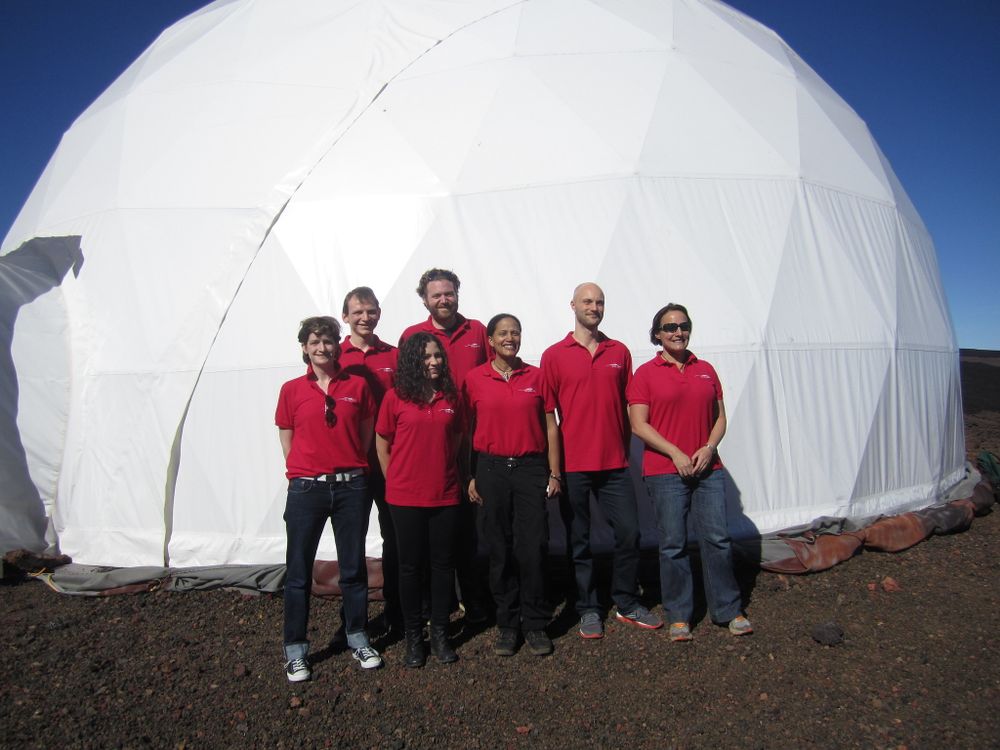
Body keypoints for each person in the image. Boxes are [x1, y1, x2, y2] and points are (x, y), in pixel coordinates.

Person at [540, 282, 663, 639]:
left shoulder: (619, 351)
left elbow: (630, 406)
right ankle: (588, 607)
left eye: (600, 302)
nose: (594, 307)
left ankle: (625, 600)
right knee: (579, 541)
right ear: (573, 306)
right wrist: (555, 469)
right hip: (573, 465)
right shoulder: (553, 355)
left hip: (613, 464)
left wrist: (621, 449)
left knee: (629, 533)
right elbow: (549, 417)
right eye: (588, 301)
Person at [626, 303, 753, 641]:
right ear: (657, 334)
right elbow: (638, 424)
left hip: (708, 468)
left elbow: (720, 416)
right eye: (669, 327)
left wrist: (709, 448)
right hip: (665, 471)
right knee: (673, 544)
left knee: (717, 539)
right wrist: (675, 453)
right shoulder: (646, 374)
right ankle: (679, 614)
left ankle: (728, 608)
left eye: (683, 325)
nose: (677, 332)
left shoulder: (706, 369)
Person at [275, 316, 382, 683]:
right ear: (304, 347)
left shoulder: (357, 385)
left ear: (339, 344)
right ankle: (295, 648)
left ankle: (357, 635)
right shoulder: (291, 389)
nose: (323, 348)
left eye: (329, 341)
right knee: (299, 570)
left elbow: (366, 432)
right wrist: (303, 470)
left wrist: (349, 465)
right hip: (307, 489)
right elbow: (286, 434)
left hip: (351, 486)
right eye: (315, 341)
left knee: (352, 567)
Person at [464, 314, 561, 657]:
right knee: (498, 548)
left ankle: (535, 622)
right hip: (491, 469)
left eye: (515, 332)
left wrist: (554, 472)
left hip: (530, 468)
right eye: (503, 333)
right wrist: (470, 475)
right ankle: (507, 624)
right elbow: (465, 430)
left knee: (532, 546)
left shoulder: (536, 376)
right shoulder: (474, 379)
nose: (510, 338)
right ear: (489, 340)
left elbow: (551, 425)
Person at [399, 268, 489, 622]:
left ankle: (474, 601)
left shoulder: (478, 331)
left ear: (457, 293)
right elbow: (404, 388)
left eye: (448, 293)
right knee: (428, 534)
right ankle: (436, 605)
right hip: (431, 444)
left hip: (473, 440)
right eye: (436, 295)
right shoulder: (412, 335)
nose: (443, 300)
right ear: (424, 299)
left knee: (469, 526)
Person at [375, 333, 466, 667]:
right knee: (410, 567)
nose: (434, 362)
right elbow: (382, 443)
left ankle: (440, 632)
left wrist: (438, 468)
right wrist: (397, 480)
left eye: (438, 356)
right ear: (414, 360)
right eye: (427, 357)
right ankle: (415, 637)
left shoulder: (450, 396)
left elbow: (456, 436)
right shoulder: (395, 398)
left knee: (443, 566)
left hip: (444, 493)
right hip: (405, 497)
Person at [339, 286, 401, 633]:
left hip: (391, 464)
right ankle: (354, 618)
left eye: (371, 311)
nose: (365, 318)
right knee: (353, 542)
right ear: (345, 316)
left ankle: (397, 610)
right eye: (358, 312)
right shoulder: (335, 357)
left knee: (395, 538)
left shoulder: (393, 355)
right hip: (352, 465)